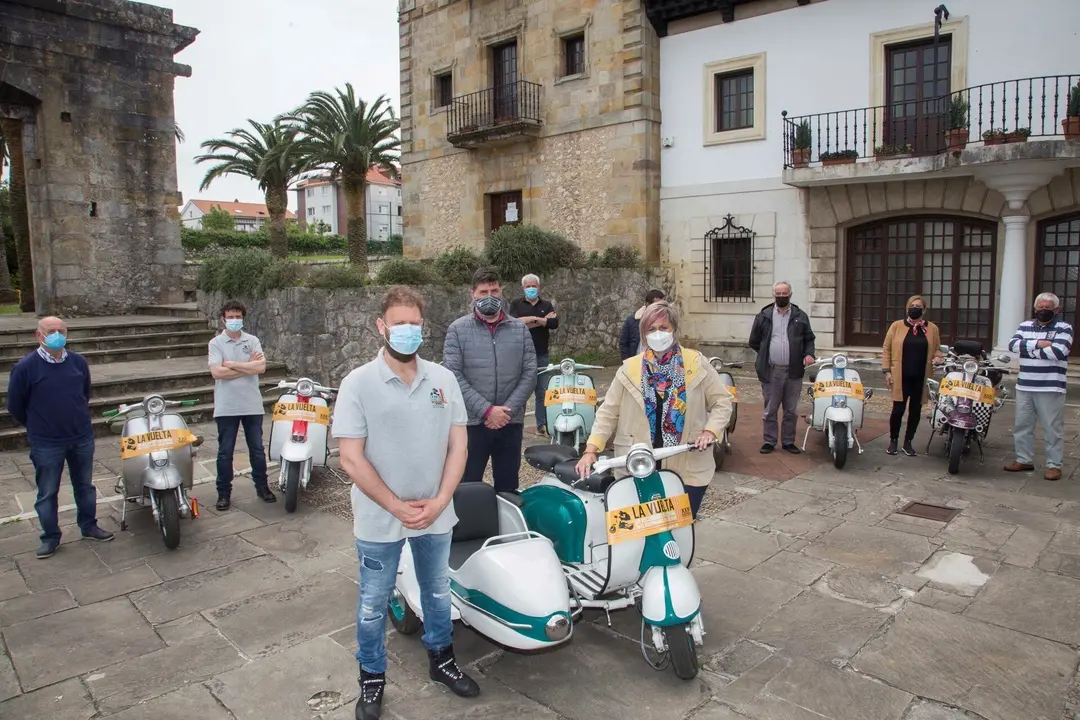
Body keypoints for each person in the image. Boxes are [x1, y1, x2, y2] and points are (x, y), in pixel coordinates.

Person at [332, 286, 478, 720]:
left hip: (436, 514)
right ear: (381, 327)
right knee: (373, 604)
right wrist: (395, 505)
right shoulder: (357, 383)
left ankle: (442, 660)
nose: (407, 331)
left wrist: (441, 500)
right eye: (399, 323)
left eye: (414, 324)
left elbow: (460, 447)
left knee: (437, 592)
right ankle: (372, 679)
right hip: (380, 519)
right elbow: (350, 458)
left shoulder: (443, 379)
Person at [576, 302, 732, 518]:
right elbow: (608, 412)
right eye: (651, 329)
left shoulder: (696, 363)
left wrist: (710, 431)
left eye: (663, 327)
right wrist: (591, 450)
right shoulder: (629, 368)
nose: (658, 334)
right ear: (643, 334)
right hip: (638, 463)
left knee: (680, 527)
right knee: (641, 531)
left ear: (674, 330)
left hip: (687, 462)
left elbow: (722, 402)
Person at [6, 317, 113, 558]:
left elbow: (84, 394)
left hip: (81, 436)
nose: (56, 335)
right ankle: (50, 537)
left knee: (85, 485)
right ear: (38, 335)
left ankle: (88, 525)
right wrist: (38, 425)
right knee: (47, 491)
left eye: (61, 331)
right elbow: (15, 405)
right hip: (46, 442)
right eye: (50, 331)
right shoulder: (25, 367)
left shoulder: (78, 362)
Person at [443, 268, 537, 492]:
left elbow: (530, 372)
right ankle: (469, 527)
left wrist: (507, 411)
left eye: (494, 290)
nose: (489, 296)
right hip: (472, 423)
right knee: (467, 486)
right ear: (472, 293)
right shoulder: (457, 330)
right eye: (483, 291)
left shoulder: (519, 329)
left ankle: (507, 527)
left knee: (508, 487)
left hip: (509, 422)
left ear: (501, 290)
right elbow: (453, 375)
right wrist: (487, 411)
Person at [208, 300, 275, 510]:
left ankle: (262, 487)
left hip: (251, 404)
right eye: (230, 317)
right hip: (227, 406)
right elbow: (217, 372)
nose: (234, 320)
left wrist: (233, 365)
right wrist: (248, 366)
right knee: (225, 451)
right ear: (223, 319)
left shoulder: (252, 340)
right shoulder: (216, 343)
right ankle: (223, 493)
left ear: (243, 318)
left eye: (238, 317)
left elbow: (262, 367)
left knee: (256, 449)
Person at [1004, 292, 1074, 481]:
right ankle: (1024, 459)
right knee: (1022, 425)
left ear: (1056, 310)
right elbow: (1012, 345)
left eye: (1047, 308)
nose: (1043, 311)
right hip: (1025, 385)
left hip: (1051, 386)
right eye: (1040, 308)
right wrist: (1040, 344)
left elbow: (1059, 352)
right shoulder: (1025, 325)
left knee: (1052, 428)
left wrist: (1028, 350)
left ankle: (1054, 465)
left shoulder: (1064, 328)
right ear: (1035, 309)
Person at [748, 281, 816, 454]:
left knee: (791, 409)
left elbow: (809, 338)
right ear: (774, 295)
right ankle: (769, 441)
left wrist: (809, 354)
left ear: (790, 295)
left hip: (794, 371)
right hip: (771, 370)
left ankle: (788, 441)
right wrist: (766, 353)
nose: (781, 297)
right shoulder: (764, 316)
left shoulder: (800, 316)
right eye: (778, 294)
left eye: (784, 294)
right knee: (770, 408)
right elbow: (754, 341)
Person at [881, 295, 944, 456]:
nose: (914, 308)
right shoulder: (896, 326)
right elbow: (886, 349)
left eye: (918, 306)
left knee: (916, 410)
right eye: (912, 305)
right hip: (900, 375)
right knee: (898, 410)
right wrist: (887, 370)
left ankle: (908, 441)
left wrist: (938, 357)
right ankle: (893, 440)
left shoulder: (932, 329)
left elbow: (937, 348)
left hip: (921, 376)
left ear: (924, 310)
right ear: (907, 308)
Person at [508, 273, 559, 436]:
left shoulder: (547, 304)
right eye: (528, 286)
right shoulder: (516, 304)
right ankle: (517, 425)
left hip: (541, 354)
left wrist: (531, 322)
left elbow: (553, 323)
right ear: (523, 288)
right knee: (520, 392)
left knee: (542, 392)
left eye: (533, 286)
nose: (531, 289)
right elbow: (514, 323)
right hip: (520, 356)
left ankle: (541, 425)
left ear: (539, 287)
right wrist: (539, 319)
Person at [619, 289, 666, 360]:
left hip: (657, 362)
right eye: (657, 305)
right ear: (648, 304)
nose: (660, 308)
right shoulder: (632, 320)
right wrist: (627, 362)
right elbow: (624, 343)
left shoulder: (666, 320)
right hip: (637, 360)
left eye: (663, 305)